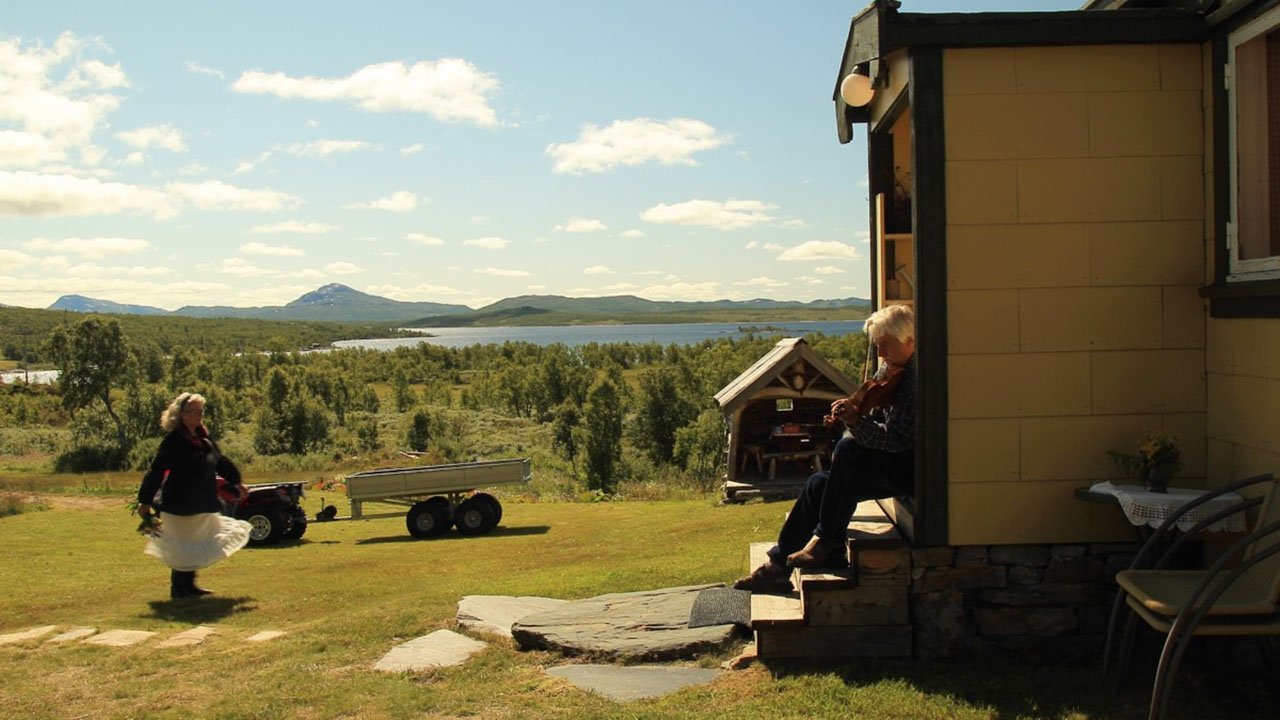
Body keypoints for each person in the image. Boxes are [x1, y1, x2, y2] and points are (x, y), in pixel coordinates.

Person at [734, 304, 915, 593]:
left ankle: (829, 543)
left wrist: (855, 422)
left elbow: (896, 442)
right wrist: (854, 411)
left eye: (886, 345)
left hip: (907, 469)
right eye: (877, 345)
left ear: (910, 340)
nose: (880, 354)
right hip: (886, 464)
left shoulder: (916, 382)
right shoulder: (891, 370)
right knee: (818, 483)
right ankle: (778, 566)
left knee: (847, 448)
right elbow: (876, 414)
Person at [136, 392, 253, 599]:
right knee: (183, 544)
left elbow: (221, 462)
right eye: (196, 411)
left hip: (201, 500)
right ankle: (179, 589)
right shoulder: (174, 441)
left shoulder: (203, 439)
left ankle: (190, 585)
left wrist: (237, 482)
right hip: (180, 502)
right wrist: (145, 500)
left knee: (198, 541)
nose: (200, 414)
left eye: (201, 410)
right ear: (183, 415)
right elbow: (156, 471)